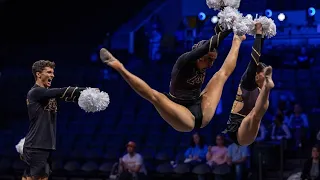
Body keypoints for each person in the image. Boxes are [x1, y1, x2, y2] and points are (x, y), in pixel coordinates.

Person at [100, 22, 246, 132]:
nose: (211, 63)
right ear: (199, 56)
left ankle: (237, 41)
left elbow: (225, 69)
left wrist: (235, 38)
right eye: (208, 59)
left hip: (200, 108)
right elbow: (208, 45)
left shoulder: (204, 61)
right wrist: (227, 29)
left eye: (213, 60)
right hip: (181, 114)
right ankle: (118, 66)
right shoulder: (184, 61)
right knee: (155, 96)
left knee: (221, 75)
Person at [23, 60, 87, 180]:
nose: (53, 75)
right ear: (38, 74)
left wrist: (87, 99)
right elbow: (61, 91)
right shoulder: (35, 92)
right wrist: (86, 90)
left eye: (53, 72)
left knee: (40, 178)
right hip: (36, 145)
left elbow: (66, 95)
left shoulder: (47, 94)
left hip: (45, 145)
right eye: (49, 72)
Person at [223, 22, 275, 146]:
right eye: (264, 74)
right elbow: (255, 58)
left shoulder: (259, 89)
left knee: (255, 115)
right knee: (253, 115)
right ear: (257, 75)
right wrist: (258, 33)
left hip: (249, 130)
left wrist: (262, 35)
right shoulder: (247, 81)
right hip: (236, 128)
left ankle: (268, 88)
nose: (265, 75)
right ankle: (268, 87)